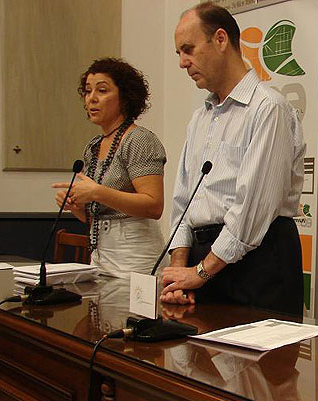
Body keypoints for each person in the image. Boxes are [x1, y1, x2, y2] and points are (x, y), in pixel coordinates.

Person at [160, 3, 305, 316]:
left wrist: (200, 272)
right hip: (205, 263)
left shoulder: (268, 109)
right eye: (179, 53)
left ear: (220, 39)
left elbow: (253, 209)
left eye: (188, 49)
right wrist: (178, 273)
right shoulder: (200, 118)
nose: (182, 62)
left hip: (257, 264)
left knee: (260, 350)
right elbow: (184, 202)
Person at [52, 58, 166, 278]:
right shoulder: (93, 146)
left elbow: (154, 206)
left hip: (135, 254)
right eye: (88, 91)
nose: (92, 98)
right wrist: (75, 206)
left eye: (102, 90)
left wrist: (97, 192)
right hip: (100, 255)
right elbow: (98, 216)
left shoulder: (139, 139)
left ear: (125, 97)